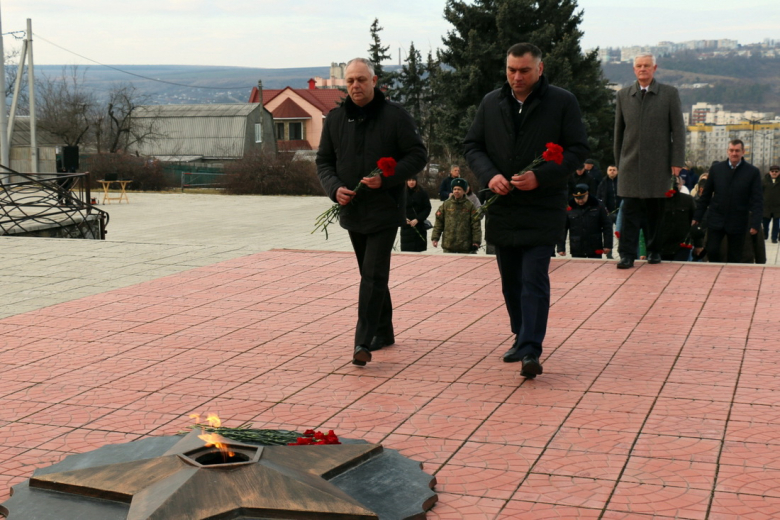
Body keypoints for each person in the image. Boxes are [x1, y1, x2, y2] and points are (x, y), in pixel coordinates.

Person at [464, 42, 589, 379]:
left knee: (533, 278)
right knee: (510, 281)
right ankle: (521, 335)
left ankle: (532, 348)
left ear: (540, 69)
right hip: (503, 206)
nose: (516, 77)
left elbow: (577, 150)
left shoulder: (562, 102)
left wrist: (541, 177)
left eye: (524, 71)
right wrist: (490, 177)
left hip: (543, 206)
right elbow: (472, 145)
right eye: (511, 70)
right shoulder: (492, 102)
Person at [316, 57, 427, 366]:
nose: (355, 86)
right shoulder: (336, 119)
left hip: (385, 210)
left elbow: (418, 155)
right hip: (352, 210)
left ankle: (361, 342)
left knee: (373, 274)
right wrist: (334, 188)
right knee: (371, 274)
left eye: (361, 80)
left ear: (374, 81)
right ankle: (384, 330)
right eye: (350, 80)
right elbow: (323, 161)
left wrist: (387, 179)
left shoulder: (395, 116)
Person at [614, 53, 686, 269]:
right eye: (639, 66)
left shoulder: (669, 94)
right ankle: (627, 255)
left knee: (656, 212)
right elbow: (618, 131)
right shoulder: (623, 95)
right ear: (633, 69)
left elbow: (678, 130)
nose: (642, 69)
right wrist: (619, 162)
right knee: (629, 213)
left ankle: (655, 251)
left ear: (655, 68)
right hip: (630, 164)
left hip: (659, 164)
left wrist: (677, 160)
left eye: (646, 65)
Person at [693, 140, 763, 263]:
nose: (734, 153)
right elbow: (706, 196)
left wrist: (755, 223)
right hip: (717, 218)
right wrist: (697, 216)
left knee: (735, 256)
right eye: (731, 150)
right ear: (727, 151)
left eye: (737, 150)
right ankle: (716, 274)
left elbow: (757, 199)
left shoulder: (752, 172)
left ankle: (729, 280)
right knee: (712, 250)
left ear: (743, 152)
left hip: (739, 220)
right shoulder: (716, 169)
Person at [557, 183, 612, 258]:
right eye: (577, 199)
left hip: (595, 245)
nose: (580, 201)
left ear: (587, 194)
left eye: (582, 198)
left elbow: (607, 226)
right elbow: (563, 228)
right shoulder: (569, 207)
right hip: (577, 246)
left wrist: (607, 245)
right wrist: (561, 247)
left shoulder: (598, 205)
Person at [431, 178, 482, 253]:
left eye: (459, 189)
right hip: (448, 245)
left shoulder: (470, 206)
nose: (456, 191)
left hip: (465, 246)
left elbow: (476, 225)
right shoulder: (446, 205)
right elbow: (439, 222)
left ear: (464, 191)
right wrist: (435, 238)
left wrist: (476, 241)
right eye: (454, 189)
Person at [400, 176, 432, 252]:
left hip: (419, 225)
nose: (411, 182)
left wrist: (418, 219)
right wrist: (403, 218)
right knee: (406, 250)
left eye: (413, 180)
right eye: (409, 180)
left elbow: (427, 208)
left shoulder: (422, 192)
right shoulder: (401, 192)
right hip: (406, 226)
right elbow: (397, 207)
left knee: (419, 250)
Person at [762, 165, 780, 243]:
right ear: (770, 172)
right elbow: (760, 192)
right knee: (765, 223)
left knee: (776, 224)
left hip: (777, 208)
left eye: (776, 171)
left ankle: (774, 238)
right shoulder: (764, 181)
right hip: (766, 207)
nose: (774, 173)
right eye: (772, 171)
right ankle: (765, 235)